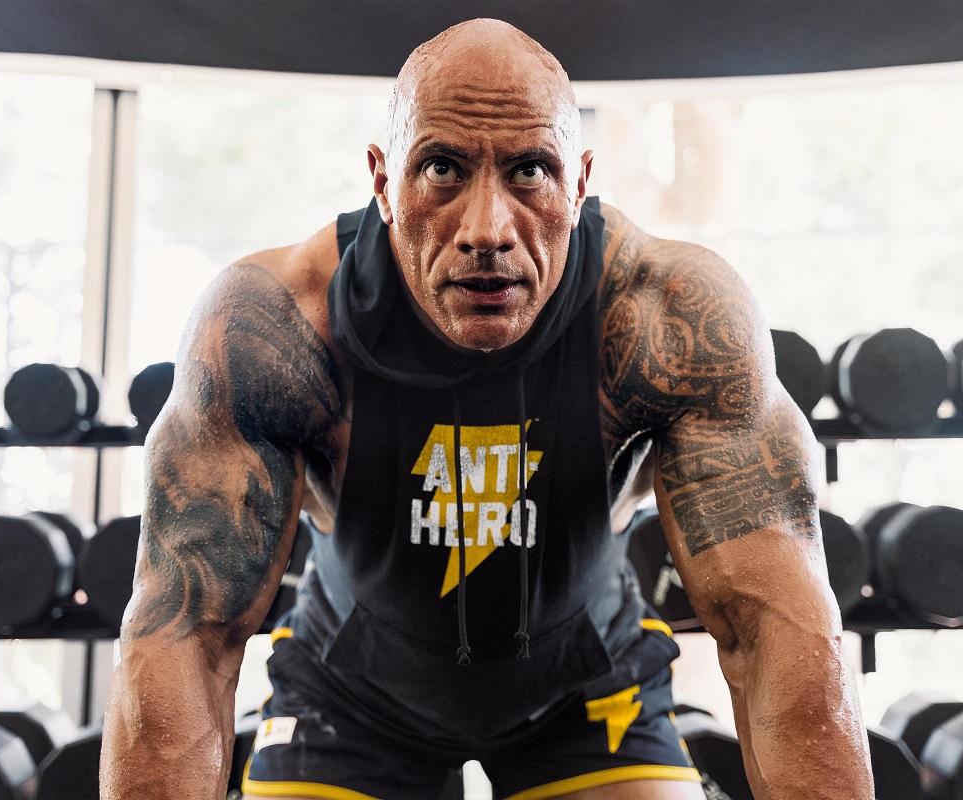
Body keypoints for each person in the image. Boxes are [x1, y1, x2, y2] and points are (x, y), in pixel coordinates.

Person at [101, 18, 875, 800]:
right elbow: (186, 635)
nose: (487, 231)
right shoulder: (279, 327)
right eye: (442, 168)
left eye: (530, 171)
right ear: (382, 181)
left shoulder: (665, 317)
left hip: (585, 685)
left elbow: (773, 628)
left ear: (579, 183)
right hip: (350, 692)